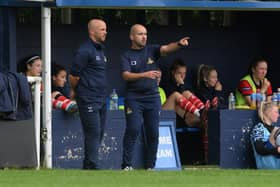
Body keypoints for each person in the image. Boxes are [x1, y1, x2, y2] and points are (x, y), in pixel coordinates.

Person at [120, 23, 190, 170]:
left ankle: (150, 166)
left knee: (153, 131)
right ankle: (126, 165)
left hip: (152, 97)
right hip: (134, 98)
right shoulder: (126, 55)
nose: (144, 36)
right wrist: (144, 75)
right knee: (133, 129)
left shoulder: (151, 50)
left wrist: (179, 44)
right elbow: (126, 75)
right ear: (132, 36)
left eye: (145, 33)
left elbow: (167, 48)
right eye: (140, 34)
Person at [69, 18, 108, 170]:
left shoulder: (100, 49)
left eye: (105, 29)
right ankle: (93, 165)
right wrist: (77, 90)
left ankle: (88, 166)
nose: (105, 32)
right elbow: (73, 76)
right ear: (92, 32)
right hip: (88, 98)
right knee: (93, 132)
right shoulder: (84, 50)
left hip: (102, 97)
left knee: (99, 133)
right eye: (102, 29)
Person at [250, 102, 280, 169]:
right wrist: (277, 150)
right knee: (277, 131)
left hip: (277, 162)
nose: (278, 115)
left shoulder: (275, 128)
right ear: (267, 113)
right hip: (266, 164)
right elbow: (259, 149)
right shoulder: (258, 128)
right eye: (276, 112)